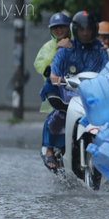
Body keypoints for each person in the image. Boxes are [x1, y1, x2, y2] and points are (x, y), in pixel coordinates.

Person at [40, 11, 109, 170]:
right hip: (71, 93)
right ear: (75, 30)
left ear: (94, 30)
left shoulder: (100, 49)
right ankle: (50, 149)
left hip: (95, 95)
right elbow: (54, 70)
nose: (85, 33)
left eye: (89, 29)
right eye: (82, 29)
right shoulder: (66, 47)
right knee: (58, 116)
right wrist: (55, 78)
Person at [34, 12, 73, 170]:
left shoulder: (75, 43)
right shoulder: (48, 47)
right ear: (51, 30)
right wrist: (56, 50)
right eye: (55, 27)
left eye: (62, 26)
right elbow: (40, 65)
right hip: (56, 91)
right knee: (55, 115)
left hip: (75, 89)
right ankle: (49, 149)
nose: (59, 29)